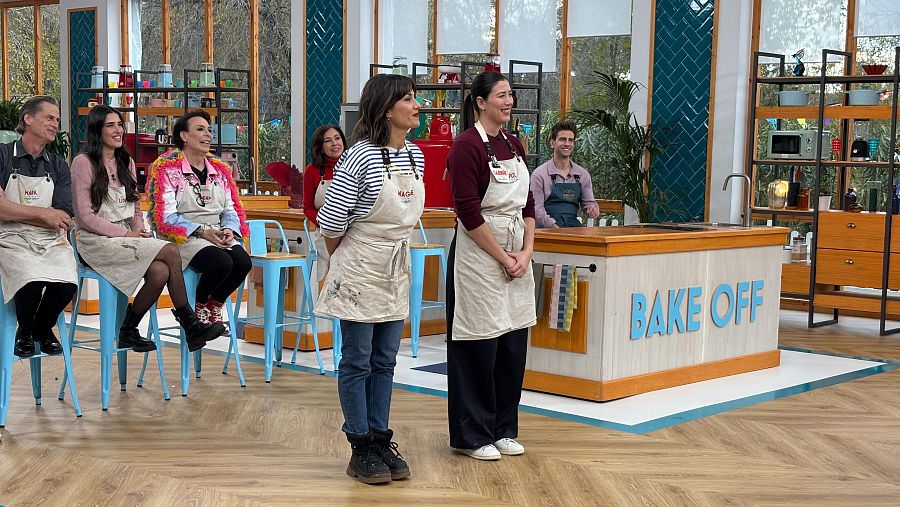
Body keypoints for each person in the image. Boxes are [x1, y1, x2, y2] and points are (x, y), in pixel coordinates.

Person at [314, 74, 423, 484]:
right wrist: (347, 263)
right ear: (385, 107)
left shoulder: (417, 157)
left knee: (385, 360)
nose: (416, 106)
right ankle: (359, 445)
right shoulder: (359, 156)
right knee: (358, 360)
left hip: (395, 267)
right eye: (408, 99)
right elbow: (330, 223)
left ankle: (380, 437)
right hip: (360, 263)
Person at [71, 105, 224, 353]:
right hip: (95, 242)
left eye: (120, 124)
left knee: (160, 271)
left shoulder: (126, 161)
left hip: (125, 239)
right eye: (110, 125)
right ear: (97, 130)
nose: (118, 130)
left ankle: (128, 330)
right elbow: (84, 216)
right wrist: (126, 234)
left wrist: (139, 231)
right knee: (170, 251)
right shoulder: (83, 162)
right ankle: (190, 323)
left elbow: (135, 206)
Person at [445, 71, 537, 461]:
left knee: (512, 345)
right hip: (480, 256)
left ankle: (502, 428)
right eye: (501, 95)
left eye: (511, 95)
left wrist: (526, 253)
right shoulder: (466, 146)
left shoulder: (514, 144)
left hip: (518, 251)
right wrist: (502, 256)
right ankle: (473, 435)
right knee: (478, 345)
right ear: (480, 102)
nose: (509, 101)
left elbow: (530, 205)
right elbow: (466, 210)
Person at [146, 110, 250, 335]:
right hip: (183, 236)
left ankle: (214, 305)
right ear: (184, 136)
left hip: (216, 233)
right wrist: (201, 232)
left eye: (209, 130)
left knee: (242, 262)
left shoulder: (220, 170)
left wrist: (229, 229)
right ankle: (199, 307)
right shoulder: (166, 169)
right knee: (222, 263)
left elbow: (230, 208)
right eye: (200, 129)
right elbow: (165, 218)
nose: (208, 135)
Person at [0, 96, 77, 358]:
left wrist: (17, 213)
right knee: (30, 277)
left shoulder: (58, 165)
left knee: (67, 281)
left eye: (57, 119)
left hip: (50, 239)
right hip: (9, 238)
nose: (56, 124)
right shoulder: (1, 155)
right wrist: (44, 214)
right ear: (28, 119)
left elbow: (64, 216)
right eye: (49, 117)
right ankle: (26, 331)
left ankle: (40, 328)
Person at [530, 120, 600, 228]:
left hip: (573, 229)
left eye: (570, 140)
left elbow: (589, 203)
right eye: (562, 139)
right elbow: (536, 210)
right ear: (552, 143)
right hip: (546, 233)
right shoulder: (539, 175)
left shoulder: (582, 175)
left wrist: (593, 209)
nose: (567, 144)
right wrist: (554, 228)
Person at [303, 124, 347, 280]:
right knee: (331, 276)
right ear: (321, 147)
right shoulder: (312, 171)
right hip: (325, 232)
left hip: (353, 230)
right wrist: (324, 222)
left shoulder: (353, 166)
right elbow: (307, 207)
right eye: (328, 141)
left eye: (337, 138)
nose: (335, 143)